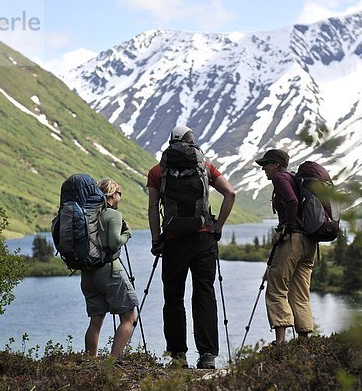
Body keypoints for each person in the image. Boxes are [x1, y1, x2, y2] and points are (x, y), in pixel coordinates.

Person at [147, 125, 236, 369]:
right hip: (203, 238)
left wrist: (157, 240)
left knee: (173, 298)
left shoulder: (157, 171)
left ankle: (178, 356)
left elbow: (153, 208)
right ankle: (207, 356)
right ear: (192, 141)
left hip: (173, 241)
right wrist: (218, 227)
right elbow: (230, 194)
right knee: (204, 294)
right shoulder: (205, 167)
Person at [255, 149, 317, 344]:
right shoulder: (294, 178)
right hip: (310, 242)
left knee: (276, 288)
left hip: (293, 241)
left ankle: (281, 342)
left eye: (266, 164)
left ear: (275, 164)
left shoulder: (280, 178)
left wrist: (285, 229)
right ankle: (304, 340)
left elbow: (291, 201)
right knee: (300, 291)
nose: (263, 168)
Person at [80, 178, 138, 358]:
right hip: (110, 272)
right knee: (129, 317)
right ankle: (112, 364)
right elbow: (114, 243)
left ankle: (91, 362)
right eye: (120, 194)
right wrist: (127, 234)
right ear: (113, 194)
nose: (120, 197)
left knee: (95, 321)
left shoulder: (86, 215)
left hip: (88, 275)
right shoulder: (113, 215)